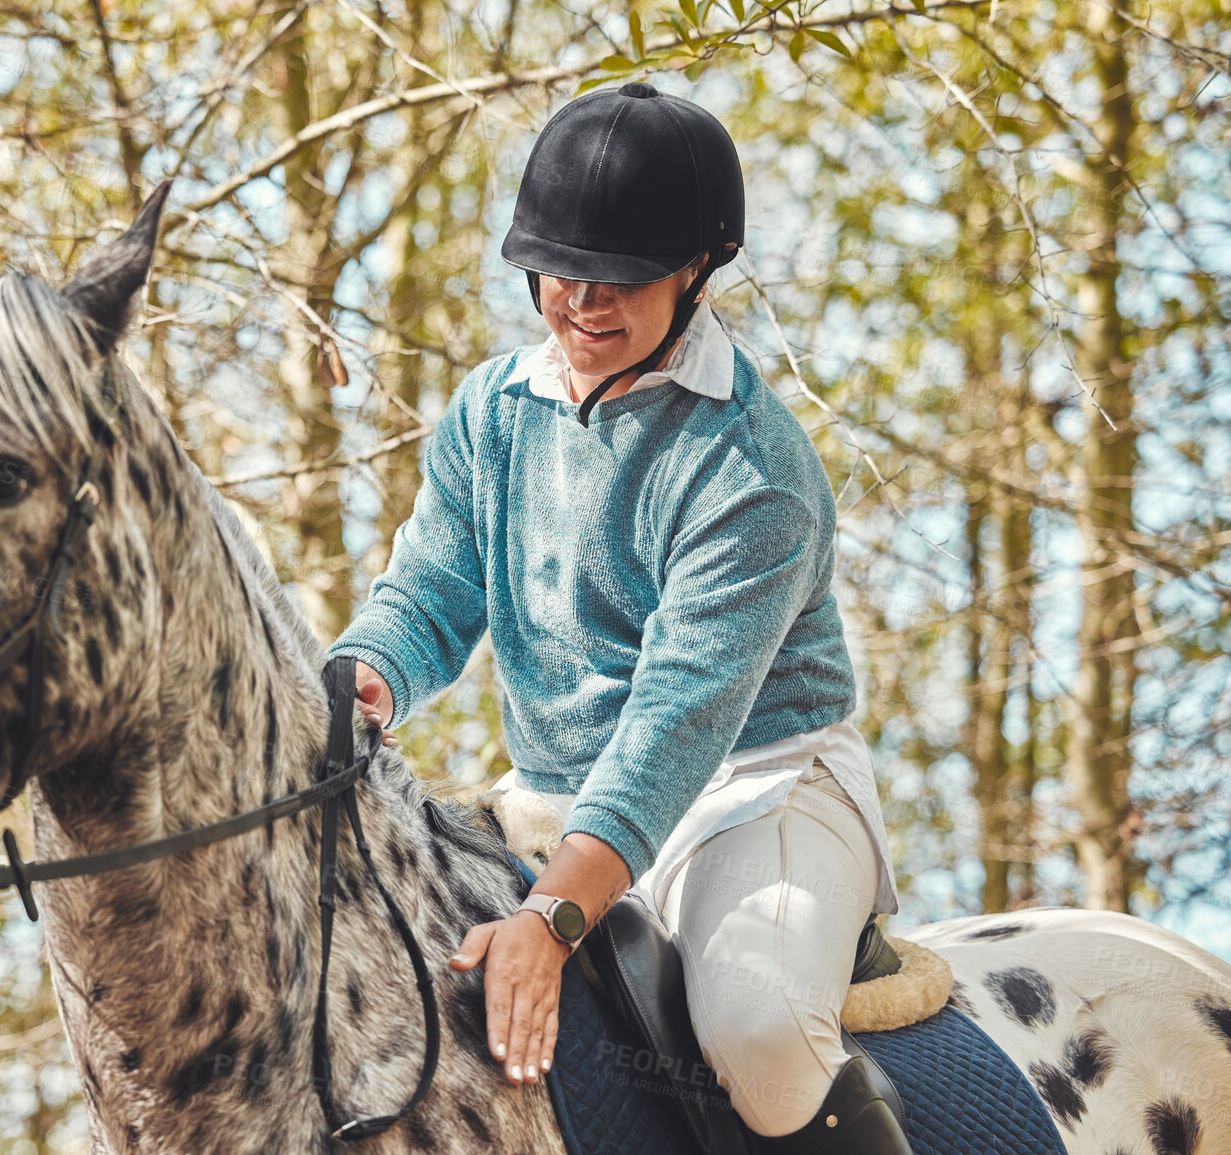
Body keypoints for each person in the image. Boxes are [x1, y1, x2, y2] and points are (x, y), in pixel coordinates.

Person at [328, 81, 911, 1153]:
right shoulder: (492, 409)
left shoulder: (752, 469)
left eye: (623, 278)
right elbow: (433, 588)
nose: (583, 302)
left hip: (750, 791)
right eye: (559, 272)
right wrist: (367, 670)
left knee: (762, 1033)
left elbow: (674, 725)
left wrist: (551, 920)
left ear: (698, 270)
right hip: (549, 797)